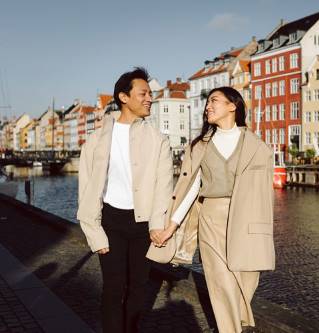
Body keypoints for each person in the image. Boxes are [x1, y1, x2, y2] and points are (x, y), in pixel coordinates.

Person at [146, 87, 275, 333]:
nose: (208, 106)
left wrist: (266, 231)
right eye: (207, 102)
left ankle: (234, 322)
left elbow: (263, 195)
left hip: (247, 219)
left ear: (232, 106)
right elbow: (189, 190)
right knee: (220, 281)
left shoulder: (258, 147)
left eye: (214, 100)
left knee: (246, 280)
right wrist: (170, 227)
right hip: (211, 217)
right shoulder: (200, 146)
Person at [77, 67, 173, 333]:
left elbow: (163, 186)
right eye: (143, 93)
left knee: (138, 287)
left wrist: (157, 224)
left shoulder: (158, 140)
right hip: (110, 220)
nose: (149, 99)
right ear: (123, 96)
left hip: (142, 223)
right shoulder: (96, 141)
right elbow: (86, 189)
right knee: (113, 286)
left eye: (151, 94)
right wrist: (94, 232)